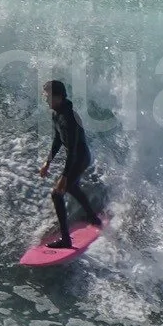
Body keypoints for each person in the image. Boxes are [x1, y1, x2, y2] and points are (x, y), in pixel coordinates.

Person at [38, 79, 98, 249]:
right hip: (77, 157)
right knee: (71, 187)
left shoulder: (68, 118)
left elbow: (72, 151)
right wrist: (47, 162)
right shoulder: (56, 113)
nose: (45, 99)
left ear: (57, 97)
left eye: (47, 95)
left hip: (80, 158)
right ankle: (93, 217)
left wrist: (64, 177)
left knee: (57, 194)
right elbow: (57, 140)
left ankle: (66, 240)